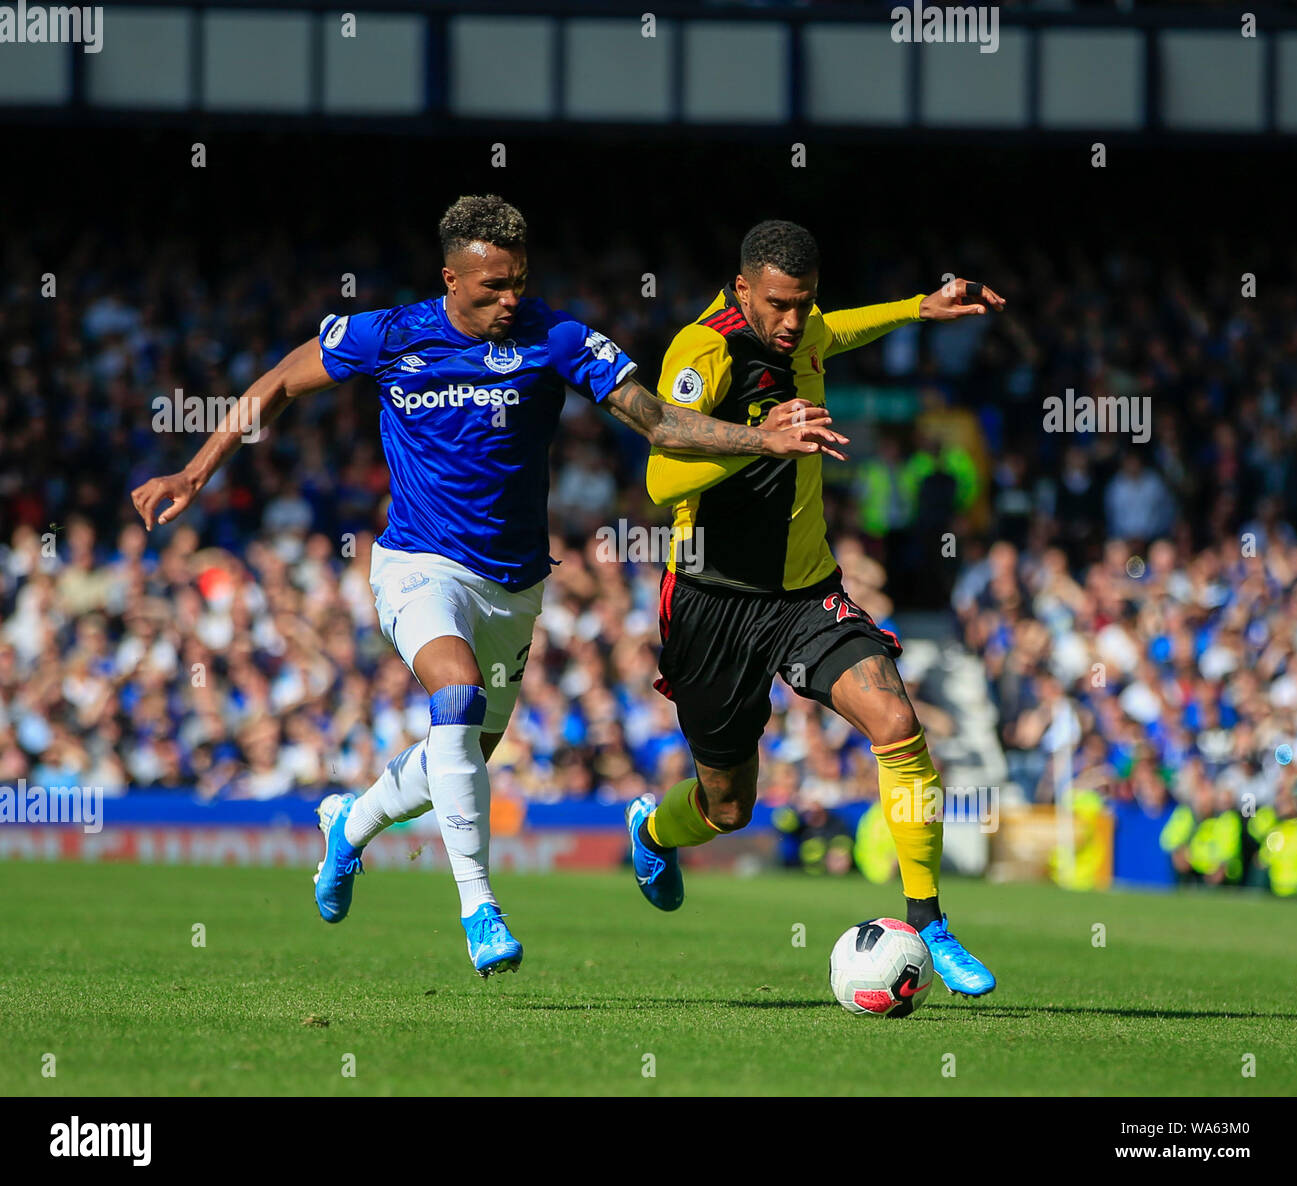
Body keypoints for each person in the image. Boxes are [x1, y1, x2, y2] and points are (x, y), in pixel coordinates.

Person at [130, 195, 846, 979]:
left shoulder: (558, 336)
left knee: (462, 752)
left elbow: (658, 422)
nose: (510, 300)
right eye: (492, 288)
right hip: (418, 566)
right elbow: (277, 383)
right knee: (456, 698)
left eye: (518, 283)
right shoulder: (390, 335)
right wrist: (195, 472)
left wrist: (762, 436)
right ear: (451, 279)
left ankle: (349, 822)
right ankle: (480, 906)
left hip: (514, 586)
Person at [624, 219, 1002, 996]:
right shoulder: (705, 351)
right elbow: (661, 483)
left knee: (897, 723)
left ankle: (929, 920)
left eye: (805, 303)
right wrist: (762, 438)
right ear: (743, 290)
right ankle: (654, 831)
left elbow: (840, 329)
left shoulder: (807, 333)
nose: (794, 322)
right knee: (728, 808)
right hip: (711, 600)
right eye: (779, 305)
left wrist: (918, 310)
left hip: (805, 593)